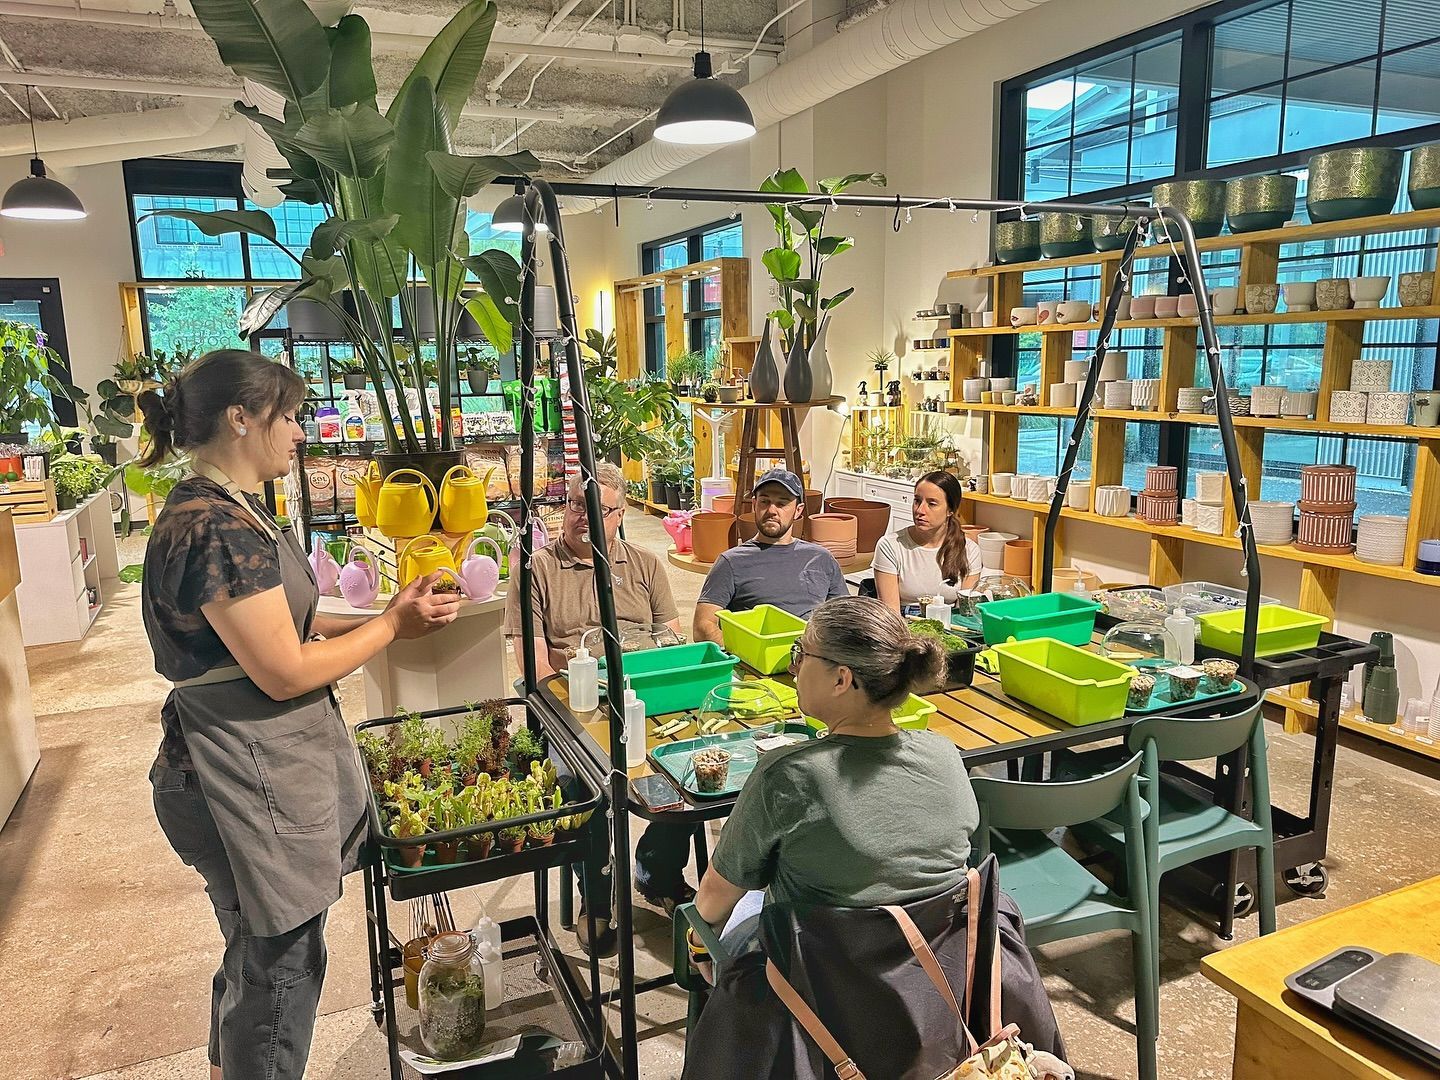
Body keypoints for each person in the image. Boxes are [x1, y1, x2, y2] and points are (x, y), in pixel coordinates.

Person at [139, 350, 460, 1080]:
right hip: (230, 777)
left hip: (224, 767)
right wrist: (391, 629)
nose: (299, 432)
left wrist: (390, 612)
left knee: (253, 954)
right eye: (287, 416)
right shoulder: (216, 526)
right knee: (280, 963)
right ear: (239, 418)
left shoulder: (221, 508)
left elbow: (290, 632)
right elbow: (283, 671)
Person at [686, 596, 978, 960]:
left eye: (801, 654)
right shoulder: (945, 753)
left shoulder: (787, 774)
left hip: (817, 986)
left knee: (733, 915)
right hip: (935, 969)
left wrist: (697, 949)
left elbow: (716, 896)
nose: (794, 669)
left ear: (842, 678)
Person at [504, 462, 693, 956]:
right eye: (574, 506)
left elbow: (671, 640)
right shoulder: (536, 568)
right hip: (572, 707)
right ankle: (597, 897)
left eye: (598, 509)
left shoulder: (646, 565)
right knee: (580, 787)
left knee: (697, 769)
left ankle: (658, 871)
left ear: (620, 513)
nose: (584, 517)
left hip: (644, 698)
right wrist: (573, 713)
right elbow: (534, 667)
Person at [693, 468, 848, 644]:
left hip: (814, 660)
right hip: (757, 663)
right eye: (764, 501)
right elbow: (702, 627)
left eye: (782, 504)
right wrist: (747, 654)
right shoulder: (732, 562)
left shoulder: (821, 558)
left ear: (798, 510)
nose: (772, 510)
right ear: (754, 505)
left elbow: (845, 619)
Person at [873, 471, 981, 613]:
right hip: (903, 624)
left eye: (932, 504)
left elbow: (966, 613)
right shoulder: (890, 546)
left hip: (950, 624)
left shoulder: (969, 549)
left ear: (950, 510)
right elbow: (890, 613)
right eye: (917, 501)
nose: (920, 510)